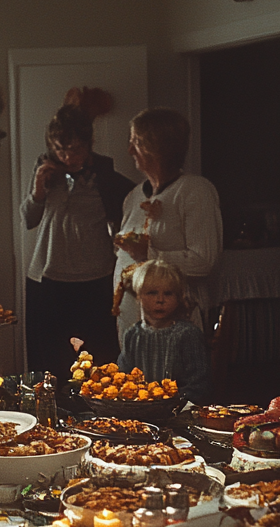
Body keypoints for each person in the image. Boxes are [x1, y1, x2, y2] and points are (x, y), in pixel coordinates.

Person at [22, 105, 134, 372]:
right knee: (49, 357)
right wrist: (37, 191)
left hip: (94, 278)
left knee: (98, 356)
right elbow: (28, 220)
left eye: (75, 149)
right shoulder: (45, 170)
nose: (68, 156)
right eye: (61, 149)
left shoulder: (105, 176)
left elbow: (129, 212)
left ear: (88, 144)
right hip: (47, 277)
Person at [114, 107, 222, 344]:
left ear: (159, 147)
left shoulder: (195, 191)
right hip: (131, 325)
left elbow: (203, 261)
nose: (130, 150)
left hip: (175, 326)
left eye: (137, 142)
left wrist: (150, 254)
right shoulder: (133, 196)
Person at [118, 259, 211, 403]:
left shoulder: (188, 334)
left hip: (179, 409)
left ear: (179, 297)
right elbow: (122, 379)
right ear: (139, 296)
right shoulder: (132, 335)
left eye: (168, 294)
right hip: (139, 409)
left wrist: (166, 400)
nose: (160, 300)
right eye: (152, 293)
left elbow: (199, 386)